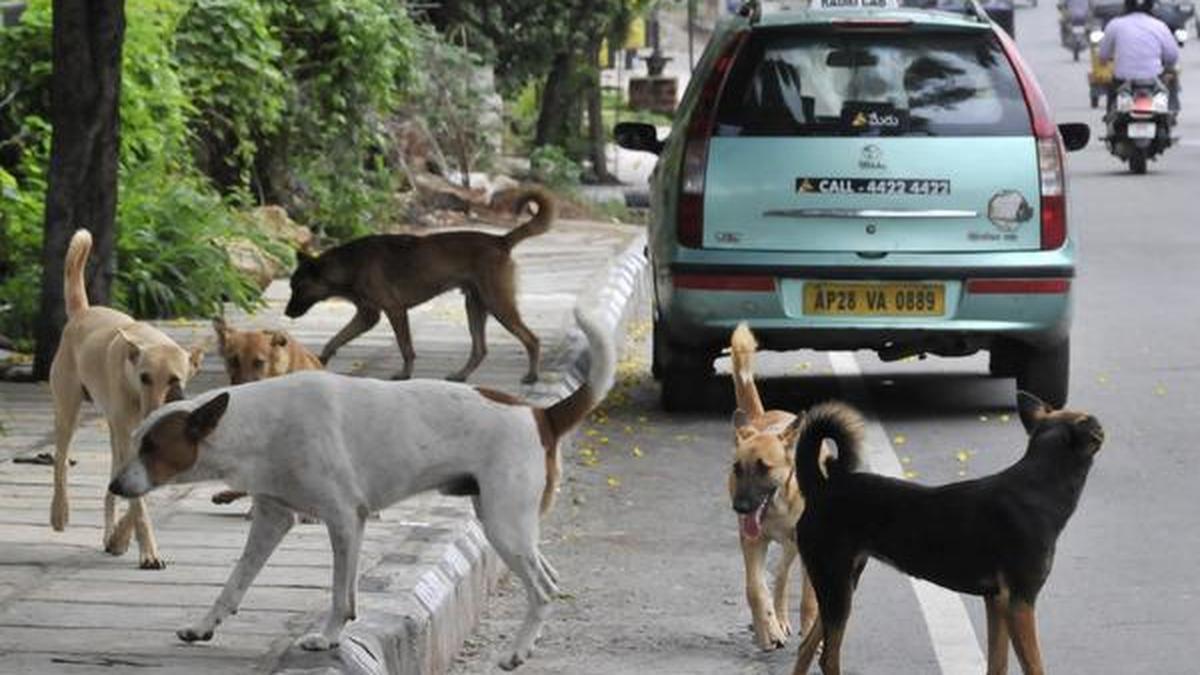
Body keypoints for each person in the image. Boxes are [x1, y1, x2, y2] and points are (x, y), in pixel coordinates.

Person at [1098, 0, 1180, 113]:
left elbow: (1103, 55)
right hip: (1155, 79)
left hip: (1123, 80)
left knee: (1112, 106)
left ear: (1126, 6)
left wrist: (1108, 60)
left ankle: (1110, 116)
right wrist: (1167, 65)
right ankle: (1172, 110)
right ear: (1151, 7)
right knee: (1172, 74)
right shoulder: (1159, 26)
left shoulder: (1115, 25)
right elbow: (1172, 56)